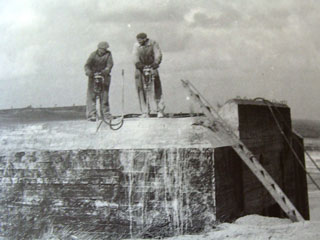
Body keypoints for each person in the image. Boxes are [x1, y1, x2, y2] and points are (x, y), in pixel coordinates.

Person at [133, 32, 165, 118]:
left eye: (141, 40)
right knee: (140, 88)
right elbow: (135, 57)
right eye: (138, 41)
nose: (139, 42)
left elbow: (158, 54)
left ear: (145, 39)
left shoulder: (153, 43)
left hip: (152, 66)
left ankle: (159, 110)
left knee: (156, 88)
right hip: (140, 68)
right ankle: (144, 111)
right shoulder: (136, 45)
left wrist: (155, 64)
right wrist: (140, 66)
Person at [84, 41, 113, 121]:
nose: (103, 51)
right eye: (102, 49)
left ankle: (106, 114)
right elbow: (87, 65)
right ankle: (91, 115)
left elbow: (110, 65)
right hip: (93, 76)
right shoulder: (93, 55)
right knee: (91, 96)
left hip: (104, 76)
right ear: (98, 48)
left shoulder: (108, 54)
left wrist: (106, 71)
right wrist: (89, 72)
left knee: (104, 96)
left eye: (105, 49)